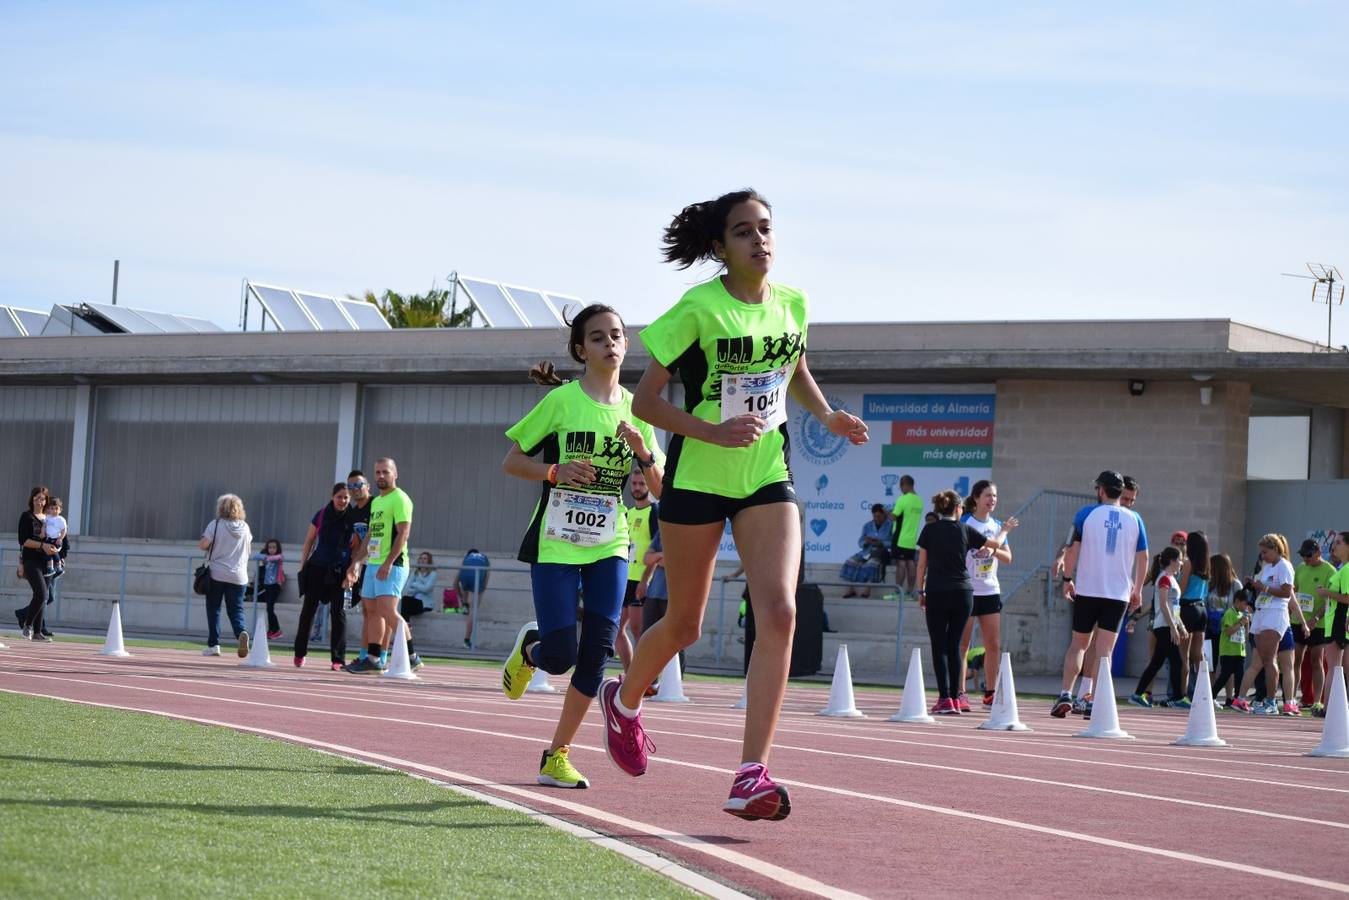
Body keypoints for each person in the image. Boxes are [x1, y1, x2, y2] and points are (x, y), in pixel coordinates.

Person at [598, 189, 868, 822]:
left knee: (778, 611)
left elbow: (792, 365)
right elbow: (645, 404)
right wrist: (712, 431)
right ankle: (625, 702)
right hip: (698, 477)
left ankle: (751, 773)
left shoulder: (792, 304)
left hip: (767, 476)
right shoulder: (698, 308)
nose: (760, 240)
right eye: (744, 232)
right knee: (685, 624)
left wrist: (826, 415)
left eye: (766, 228)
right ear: (720, 247)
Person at [499, 303, 664, 791]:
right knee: (559, 655)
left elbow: (657, 488)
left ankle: (557, 755)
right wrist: (555, 471)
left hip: (610, 543)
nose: (610, 343)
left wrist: (642, 449)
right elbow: (512, 461)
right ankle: (532, 649)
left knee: (595, 653)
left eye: (616, 335)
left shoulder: (639, 409)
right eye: (598, 337)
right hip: (556, 540)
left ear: (626, 344)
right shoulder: (563, 402)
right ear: (581, 349)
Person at [1054, 471, 1148, 718]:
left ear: (1101, 490)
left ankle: (1066, 693)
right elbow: (1144, 557)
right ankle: (1093, 701)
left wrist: (1067, 579)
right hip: (1117, 594)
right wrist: (1137, 589)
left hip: (1087, 589)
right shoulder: (1135, 519)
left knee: (1078, 645)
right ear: (1120, 491)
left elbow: (1072, 549)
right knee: (1105, 652)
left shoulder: (1086, 514)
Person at [915, 489, 1014, 714]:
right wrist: (1005, 530)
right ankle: (956, 697)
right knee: (955, 645)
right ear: (958, 509)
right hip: (963, 592)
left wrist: (920, 591)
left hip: (937, 591)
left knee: (940, 646)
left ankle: (945, 698)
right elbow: (994, 545)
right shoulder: (965, 529)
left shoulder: (929, 530)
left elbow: (922, 564)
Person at [345, 458, 421, 674]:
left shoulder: (400, 498)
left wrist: (388, 563)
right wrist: (358, 562)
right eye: (377, 472)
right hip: (373, 563)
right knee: (371, 610)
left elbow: (404, 533)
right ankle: (373, 657)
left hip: (393, 564)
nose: (380, 476)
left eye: (385, 472)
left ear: (394, 474)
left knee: (388, 611)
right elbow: (371, 534)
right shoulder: (377, 502)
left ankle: (412, 656)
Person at [1234, 534, 1310, 715]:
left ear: (1276, 550)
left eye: (1265, 552)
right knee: (1260, 661)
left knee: (1276, 662)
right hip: (1263, 614)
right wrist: (1253, 584)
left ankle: (1275, 702)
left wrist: (1264, 587)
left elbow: (1286, 593)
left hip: (1274, 616)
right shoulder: (1268, 566)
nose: (1262, 556)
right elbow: (1264, 587)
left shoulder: (1285, 566)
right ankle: (1244, 699)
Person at [958, 481, 1017, 707]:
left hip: (990, 590)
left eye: (994, 496)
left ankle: (990, 692)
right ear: (975, 498)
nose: (992, 500)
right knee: (963, 644)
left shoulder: (998, 525)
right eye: (987, 496)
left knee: (993, 644)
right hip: (967, 590)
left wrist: (991, 549)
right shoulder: (965, 522)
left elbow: (1008, 557)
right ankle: (959, 692)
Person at [293, 482, 351, 670]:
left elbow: (358, 545)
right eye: (339, 497)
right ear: (332, 497)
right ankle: (299, 653)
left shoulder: (353, 516)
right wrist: (303, 565)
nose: (342, 500)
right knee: (308, 610)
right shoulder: (321, 514)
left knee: (338, 613)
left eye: (346, 497)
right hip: (317, 568)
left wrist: (352, 570)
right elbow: (309, 540)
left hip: (340, 571)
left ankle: (337, 659)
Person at [1128, 547, 1185, 708]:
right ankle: (1177, 697)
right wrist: (1174, 627)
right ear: (1173, 561)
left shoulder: (1172, 579)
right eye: (1180, 559)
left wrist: (1181, 625)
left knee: (1158, 662)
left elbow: (1174, 607)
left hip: (1169, 625)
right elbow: (1163, 604)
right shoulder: (1164, 579)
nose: (1182, 563)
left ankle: (1138, 694)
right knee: (1176, 661)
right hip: (1163, 626)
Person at [198, 494, 253, 658]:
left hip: (217, 573)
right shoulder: (245, 527)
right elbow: (248, 549)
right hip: (239, 575)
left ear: (221, 508)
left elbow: (203, 545)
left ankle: (214, 645)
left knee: (214, 609)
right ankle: (241, 632)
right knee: (236, 610)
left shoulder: (215, 525)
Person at [618, 471, 659, 668]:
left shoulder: (654, 512)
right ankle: (629, 676)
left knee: (639, 630)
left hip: (641, 580)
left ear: (648, 486)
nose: (636, 488)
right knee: (617, 629)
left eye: (641, 484)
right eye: (634, 484)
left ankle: (646, 678)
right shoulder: (628, 513)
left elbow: (656, 548)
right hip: (624, 579)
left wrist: (645, 579)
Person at [1293, 538, 1336, 714]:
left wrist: (1315, 618)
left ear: (1318, 553)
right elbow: (1294, 592)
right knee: (1295, 660)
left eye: (1308, 555)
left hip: (1319, 623)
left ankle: (1317, 700)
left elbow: (1329, 598)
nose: (1305, 558)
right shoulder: (1301, 568)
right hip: (1298, 620)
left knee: (1317, 660)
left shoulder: (1329, 570)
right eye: (1302, 555)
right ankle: (1292, 698)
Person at [340, 471, 375, 668]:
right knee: (367, 613)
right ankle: (365, 656)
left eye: (358, 485)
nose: (354, 490)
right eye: (350, 486)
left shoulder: (376, 505)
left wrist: (357, 563)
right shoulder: (352, 513)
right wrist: (355, 565)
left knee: (378, 613)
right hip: (365, 563)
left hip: (381, 562)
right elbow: (359, 540)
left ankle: (380, 656)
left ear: (367, 485)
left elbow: (372, 536)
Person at [15, 485, 58, 641]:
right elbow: (23, 541)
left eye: (43, 498)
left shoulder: (50, 518)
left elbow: (59, 536)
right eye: (38, 497)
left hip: (47, 562)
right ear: (32, 499)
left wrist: (57, 550)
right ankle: (27, 624)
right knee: (41, 593)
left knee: (44, 597)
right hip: (31, 560)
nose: (41, 501)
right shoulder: (26, 516)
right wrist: (42, 545)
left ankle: (38, 632)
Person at [1314, 531, 1349, 714]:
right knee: (1341, 670)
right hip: (1338, 622)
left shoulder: (1347, 569)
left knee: (1334, 670)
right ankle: (1337, 709)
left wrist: (1325, 593)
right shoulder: (1343, 568)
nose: (1334, 546)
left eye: (1338, 543)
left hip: (1339, 622)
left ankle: (1328, 709)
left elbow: (1347, 598)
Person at [1177, 531, 1210, 700]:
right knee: (1199, 654)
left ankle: (1182, 694)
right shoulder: (1206, 564)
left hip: (1188, 607)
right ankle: (1204, 691)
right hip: (1202, 608)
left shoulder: (1189, 563)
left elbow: (1182, 588)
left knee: (1184, 654)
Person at [840, 504, 892, 598]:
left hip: (880, 554)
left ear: (884, 515)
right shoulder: (867, 525)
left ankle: (867, 589)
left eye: (879, 516)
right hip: (866, 552)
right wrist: (866, 542)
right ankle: (850, 589)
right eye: (874, 516)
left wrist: (882, 543)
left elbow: (893, 542)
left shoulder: (890, 525)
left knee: (872, 564)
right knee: (850, 562)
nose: (876, 518)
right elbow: (860, 542)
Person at [1213, 592, 1252, 707]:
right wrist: (1241, 622)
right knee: (1225, 675)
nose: (1245, 607)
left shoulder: (1242, 615)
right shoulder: (1230, 613)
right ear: (1237, 602)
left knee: (1240, 676)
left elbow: (1246, 635)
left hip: (1240, 651)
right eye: (1244, 604)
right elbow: (1229, 631)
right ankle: (1212, 695)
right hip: (1228, 651)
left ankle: (1237, 699)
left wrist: (1247, 622)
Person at [889, 476, 923, 601]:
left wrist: (887, 512)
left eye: (900, 486)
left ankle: (898, 593)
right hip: (912, 539)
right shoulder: (919, 500)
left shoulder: (902, 499)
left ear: (905, 485)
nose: (900, 489)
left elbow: (893, 517)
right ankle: (909, 593)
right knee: (910, 563)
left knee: (901, 564)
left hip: (900, 538)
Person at [1206, 553, 1239, 673]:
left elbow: (1240, 607)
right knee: (1210, 662)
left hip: (1228, 628)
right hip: (1211, 628)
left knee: (1227, 665)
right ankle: (1210, 690)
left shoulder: (1235, 585)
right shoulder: (1209, 584)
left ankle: (1229, 692)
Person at [251, 538, 286, 640]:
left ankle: (277, 631)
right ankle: (271, 631)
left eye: (274, 547)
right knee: (268, 609)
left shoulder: (279, 557)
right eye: (270, 547)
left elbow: (277, 557)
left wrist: (267, 557)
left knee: (270, 608)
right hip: (268, 586)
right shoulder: (266, 557)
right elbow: (256, 556)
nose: (271, 549)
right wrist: (265, 556)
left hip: (276, 586)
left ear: (277, 548)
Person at [458, 548, 490, 649]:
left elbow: (455, 583)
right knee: (473, 610)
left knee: (465, 586)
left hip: (466, 579)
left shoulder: (466, 559)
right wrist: (482, 589)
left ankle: (464, 605)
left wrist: (463, 599)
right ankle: (466, 641)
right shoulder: (484, 559)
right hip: (478, 575)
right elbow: (486, 579)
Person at [400, 551, 438, 621]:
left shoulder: (433, 574)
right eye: (421, 558)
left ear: (429, 561)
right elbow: (407, 589)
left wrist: (415, 585)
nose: (422, 560)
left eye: (425, 559)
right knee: (405, 599)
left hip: (425, 604)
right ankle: (406, 624)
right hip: (415, 600)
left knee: (406, 603)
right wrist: (420, 587)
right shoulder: (415, 573)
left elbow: (426, 589)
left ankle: (405, 625)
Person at [42, 497, 67, 579]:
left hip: (56, 539)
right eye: (52, 508)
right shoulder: (47, 517)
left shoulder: (60, 519)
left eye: (56, 509)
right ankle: (50, 568)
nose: (54, 511)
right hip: (49, 539)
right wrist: (43, 532)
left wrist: (60, 538)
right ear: (49, 509)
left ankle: (59, 568)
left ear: (60, 510)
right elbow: (44, 525)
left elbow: (64, 529)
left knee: (55, 553)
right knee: (48, 553)